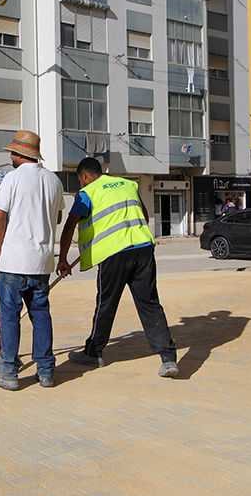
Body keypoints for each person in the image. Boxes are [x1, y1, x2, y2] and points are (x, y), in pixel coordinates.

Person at [57, 157, 178, 378]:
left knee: (106, 304)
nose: (81, 183)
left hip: (114, 254)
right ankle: (168, 358)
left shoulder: (88, 193)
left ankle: (93, 353)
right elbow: (143, 213)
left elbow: (70, 225)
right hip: (143, 248)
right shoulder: (126, 184)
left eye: (80, 179)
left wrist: (62, 259)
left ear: (84, 176)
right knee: (150, 304)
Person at [0, 130, 65, 391]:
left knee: (9, 317)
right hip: (41, 263)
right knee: (41, 316)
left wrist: (0, 246)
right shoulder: (53, 181)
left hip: (14, 261)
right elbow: (58, 218)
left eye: (12, 153)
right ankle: (46, 372)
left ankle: (7, 372)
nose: (11, 157)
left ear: (20, 155)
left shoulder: (12, 179)